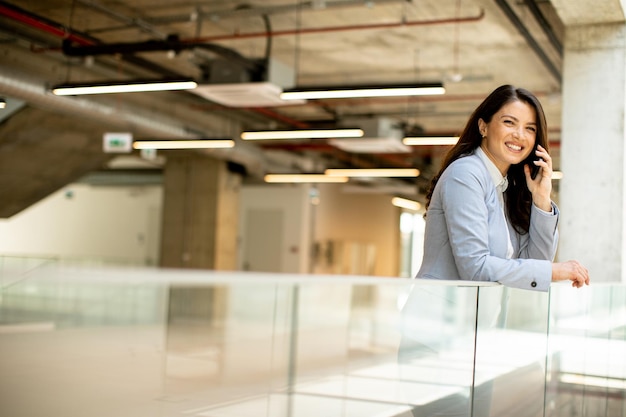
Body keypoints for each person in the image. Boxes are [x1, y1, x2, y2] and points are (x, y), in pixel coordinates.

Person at [415, 84, 589, 291]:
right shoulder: (466, 174)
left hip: (473, 319)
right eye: (509, 122)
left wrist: (541, 199)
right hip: (436, 318)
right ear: (483, 127)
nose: (519, 135)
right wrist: (553, 271)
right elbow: (475, 268)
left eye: (530, 128)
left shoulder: (507, 188)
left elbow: (533, 265)